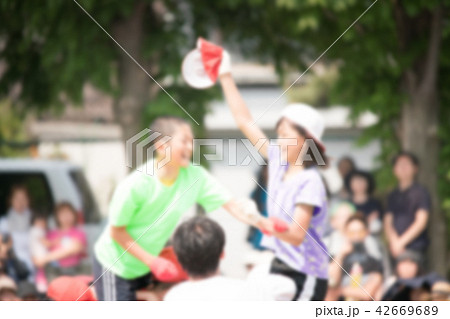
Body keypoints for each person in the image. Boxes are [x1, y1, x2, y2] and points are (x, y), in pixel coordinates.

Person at [92, 116, 275, 301]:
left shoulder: (195, 175)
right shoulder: (137, 184)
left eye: (192, 142)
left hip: (146, 265)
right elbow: (117, 233)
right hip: (115, 265)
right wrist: (153, 261)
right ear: (162, 146)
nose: (190, 147)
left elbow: (232, 205)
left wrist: (260, 222)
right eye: (185, 141)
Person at [219, 53, 329, 300]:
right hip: (280, 265)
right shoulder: (278, 164)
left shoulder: (310, 181)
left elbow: (296, 234)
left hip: (306, 273)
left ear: (306, 140)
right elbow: (245, 121)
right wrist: (225, 75)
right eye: (278, 133)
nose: (278, 139)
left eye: (285, 133)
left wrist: (258, 220)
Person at [164, 216, 295, 301]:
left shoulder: (174, 297)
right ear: (222, 253)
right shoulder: (251, 292)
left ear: (179, 259)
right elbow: (289, 287)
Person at [384, 152, 430, 265]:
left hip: (414, 247)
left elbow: (421, 222)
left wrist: (401, 243)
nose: (403, 168)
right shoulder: (392, 195)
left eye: (406, 164)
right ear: (394, 170)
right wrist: (394, 242)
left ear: (415, 168)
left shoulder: (421, 193)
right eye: (399, 165)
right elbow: (387, 221)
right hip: (394, 248)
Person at [328, 214, 383, 301]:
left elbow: (367, 293)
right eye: (352, 232)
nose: (356, 236)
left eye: (360, 232)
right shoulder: (336, 258)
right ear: (345, 233)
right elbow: (331, 281)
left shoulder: (374, 261)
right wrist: (341, 255)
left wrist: (339, 290)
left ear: (366, 232)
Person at [35, 202, 87, 281]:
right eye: (62, 214)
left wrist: (45, 258)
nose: (66, 216)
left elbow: (74, 248)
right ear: (57, 217)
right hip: (53, 273)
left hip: (73, 271)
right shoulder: (50, 234)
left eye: (68, 213)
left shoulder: (79, 233)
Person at [0, 185, 33, 273]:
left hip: (34, 263)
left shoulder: (35, 220)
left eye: (23, 199)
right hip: (13, 266)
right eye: (17, 199)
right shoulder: (4, 223)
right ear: (11, 200)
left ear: (28, 200)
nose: (20, 202)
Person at [346, 170, 383, 235]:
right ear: (350, 184)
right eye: (356, 182)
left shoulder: (375, 203)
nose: (359, 184)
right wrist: (367, 221)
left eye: (361, 181)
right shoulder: (346, 205)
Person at [29, 213, 49, 292]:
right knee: (42, 272)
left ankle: (41, 287)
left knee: (40, 272)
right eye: (40, 222)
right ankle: (42, 288)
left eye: (43, 222)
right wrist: (57, 242)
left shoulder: (33, 230)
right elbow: (45, 243)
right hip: (40, 255)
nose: (42, 224)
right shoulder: (37, 230)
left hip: (37, 255)